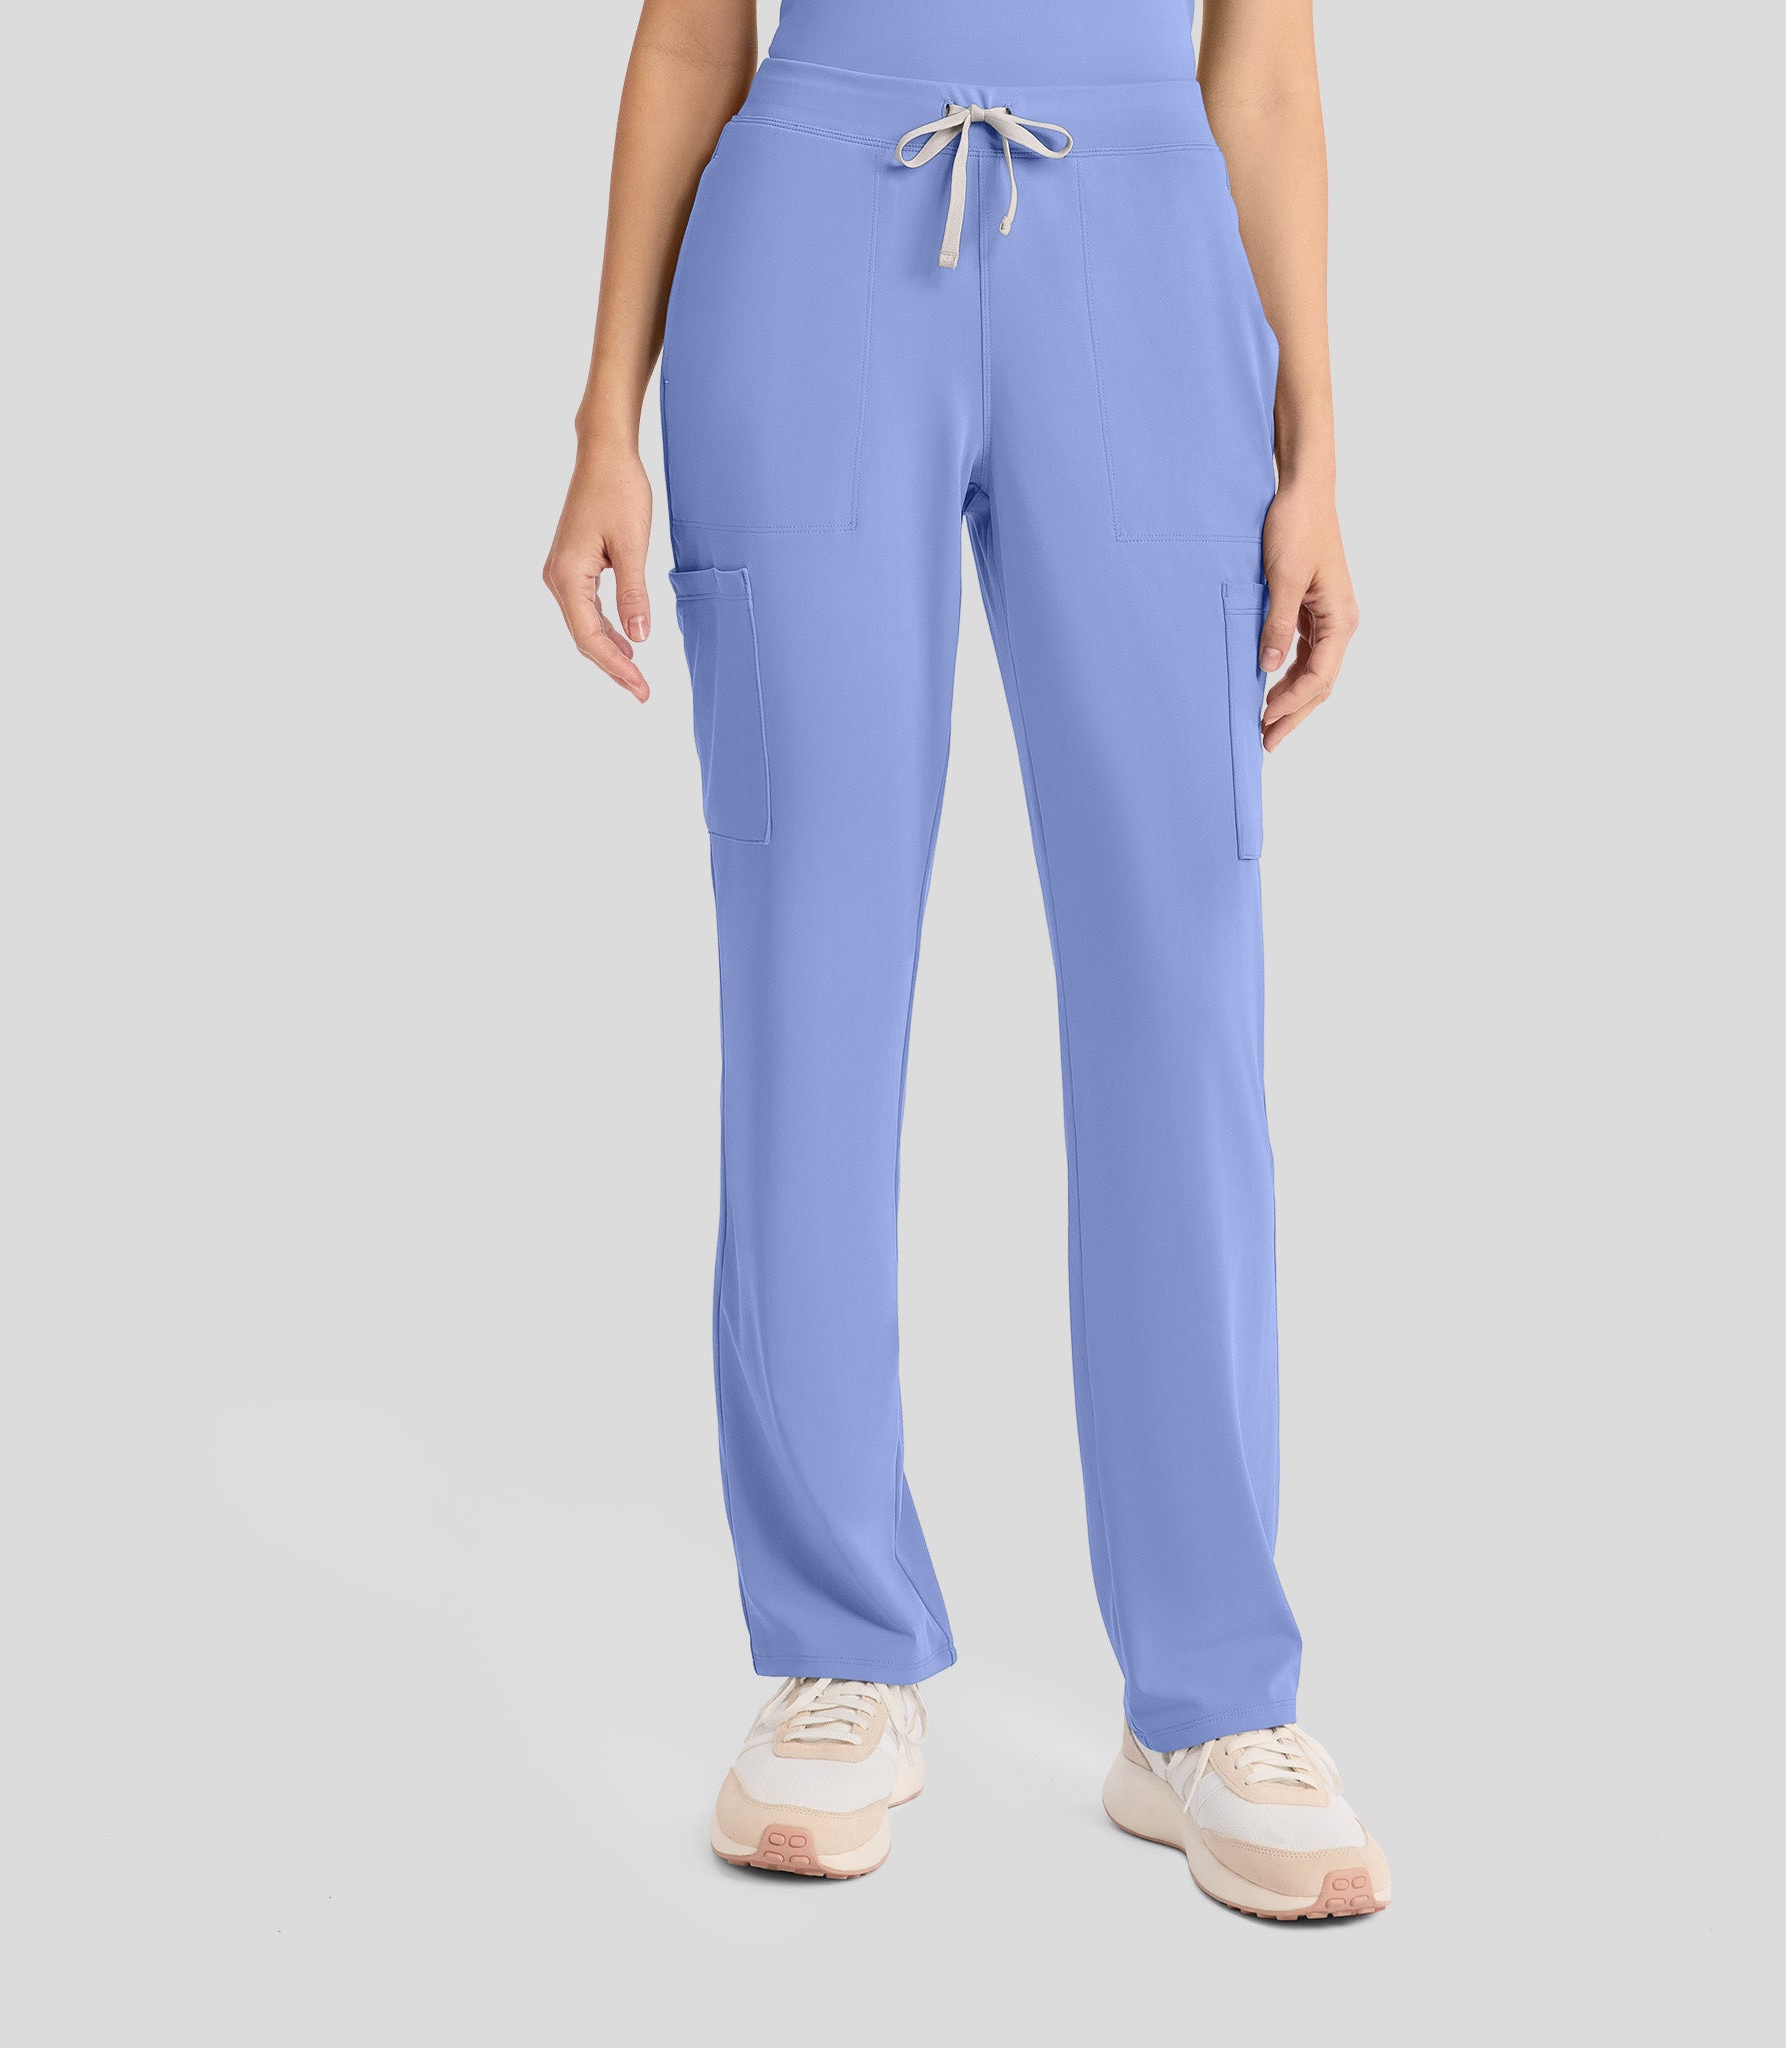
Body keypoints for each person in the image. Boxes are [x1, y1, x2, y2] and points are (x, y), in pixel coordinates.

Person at [543, 0, 1387, 1920]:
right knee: (809, 972)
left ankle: (1211, 1700)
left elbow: (1263, 64)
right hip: (809, 250)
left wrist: (1318, 447)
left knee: (1180, 983)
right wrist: (602, 415)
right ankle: (837, 1647)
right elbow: (690, 39)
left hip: (1149, 252)